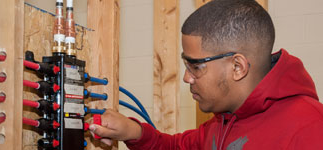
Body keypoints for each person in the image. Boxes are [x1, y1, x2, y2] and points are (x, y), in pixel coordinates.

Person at [89, 0, 323, 149]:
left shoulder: (310, 130)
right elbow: (175, 147)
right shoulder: (223, 121)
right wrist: (133, 132)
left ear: (237, 67)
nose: (186, 78)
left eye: (195, 66)